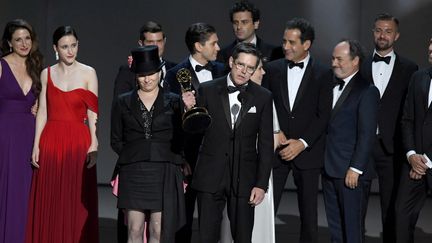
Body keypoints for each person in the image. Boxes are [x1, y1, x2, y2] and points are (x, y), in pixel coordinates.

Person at [182, 42, 274, 243]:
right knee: (207, 236)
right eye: (241, 64)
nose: (244, 71)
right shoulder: (207, 90)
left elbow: (266, 144)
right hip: (210, 175)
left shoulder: (263, 97)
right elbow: (194, 134)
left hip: (245, 178)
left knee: (243, 237)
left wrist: (261, 184)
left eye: (250, 68)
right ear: (231, 62)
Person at [25, 26, 99, 243]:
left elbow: (93, 112)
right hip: (51, 140)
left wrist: (94, 141)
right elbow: (43, 112)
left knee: (75, 198)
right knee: (52, 199)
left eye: (73, 45)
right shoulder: (46, 73)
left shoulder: (89, 73)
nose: (70, 51)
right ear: (55, 48)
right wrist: (36, 145)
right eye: (65, 46)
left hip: (78, 141)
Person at [261, 17, 332, 243]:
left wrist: (301, 143)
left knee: (309, 214)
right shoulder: (272, 69)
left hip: (308, 153)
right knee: (266, 209)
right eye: (284, 41)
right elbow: (266, 104)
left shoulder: (323, 73)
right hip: (277, 148)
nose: (285, 47)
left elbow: (324, 115)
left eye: (291, 42)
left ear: (306, 44)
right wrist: (276, 130)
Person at [111, 45, 186, 243]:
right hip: (134, 170)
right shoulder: (123, 101)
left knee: (158, 229)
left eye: (151, 73)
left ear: (159, 72)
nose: (147, 79)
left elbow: (183, 137)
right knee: (134, 229)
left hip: (164, 170)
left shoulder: (175, 101)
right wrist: (133, 155)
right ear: (135, 75)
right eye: (142, 74)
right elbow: (116, 139)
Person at [164, 22, 225, 243]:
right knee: (184, 218)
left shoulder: (222, 71)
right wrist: (179, 156)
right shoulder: (174, 75)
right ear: (199, 46)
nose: (218, 47)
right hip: (188, 158)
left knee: (211, 220)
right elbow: (170, 121)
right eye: (214, 43)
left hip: (217, 156)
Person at [360, 13, 418, 243]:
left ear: (396, 35)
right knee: (357, 202)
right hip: (362, 146)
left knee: (391, 205)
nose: (382, 35)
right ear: (373, 32)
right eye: (378, 30)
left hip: (392, 146)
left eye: (388, 31)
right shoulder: (360, 65)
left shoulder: (410, 68)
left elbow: (411, 112)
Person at [323, 39, 379, 243]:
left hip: (350, 171)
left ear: (355, 61)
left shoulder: (367, 91)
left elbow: (367, 134)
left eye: (339, 59)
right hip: (330, 168)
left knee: (353, 229)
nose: (334, 63)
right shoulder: (328, 84)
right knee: (336, 227)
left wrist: (355, 168)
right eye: (332, 58)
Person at [0, 19, 43, 243]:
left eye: (27, 38)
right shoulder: (1, 65)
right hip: (5, 135)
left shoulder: (37, 66)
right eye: (18, 39)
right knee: (7, 188)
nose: (24, 43)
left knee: (26, 190)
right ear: (9, 42)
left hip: (29, 134)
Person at [394, 37, 432, 243]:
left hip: (424, 161)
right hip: (413, 161)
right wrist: (411, 155)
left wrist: (426, 160)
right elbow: (407, 119)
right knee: (401, 214)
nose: (430, 47)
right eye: (431, 42)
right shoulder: (418, 77)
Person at [113, 21, 177, 99]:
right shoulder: (128, 71)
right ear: (141, 43)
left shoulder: (176, 69)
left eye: (159, 41)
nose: (156, 46)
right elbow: (119, 105)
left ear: (164, 41)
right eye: (150, 42)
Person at [217, 0, 283, 65]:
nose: (239, 27)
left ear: (256, 24)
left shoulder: (272, 53)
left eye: (244, 22)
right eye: (235, 23)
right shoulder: (222, 55)